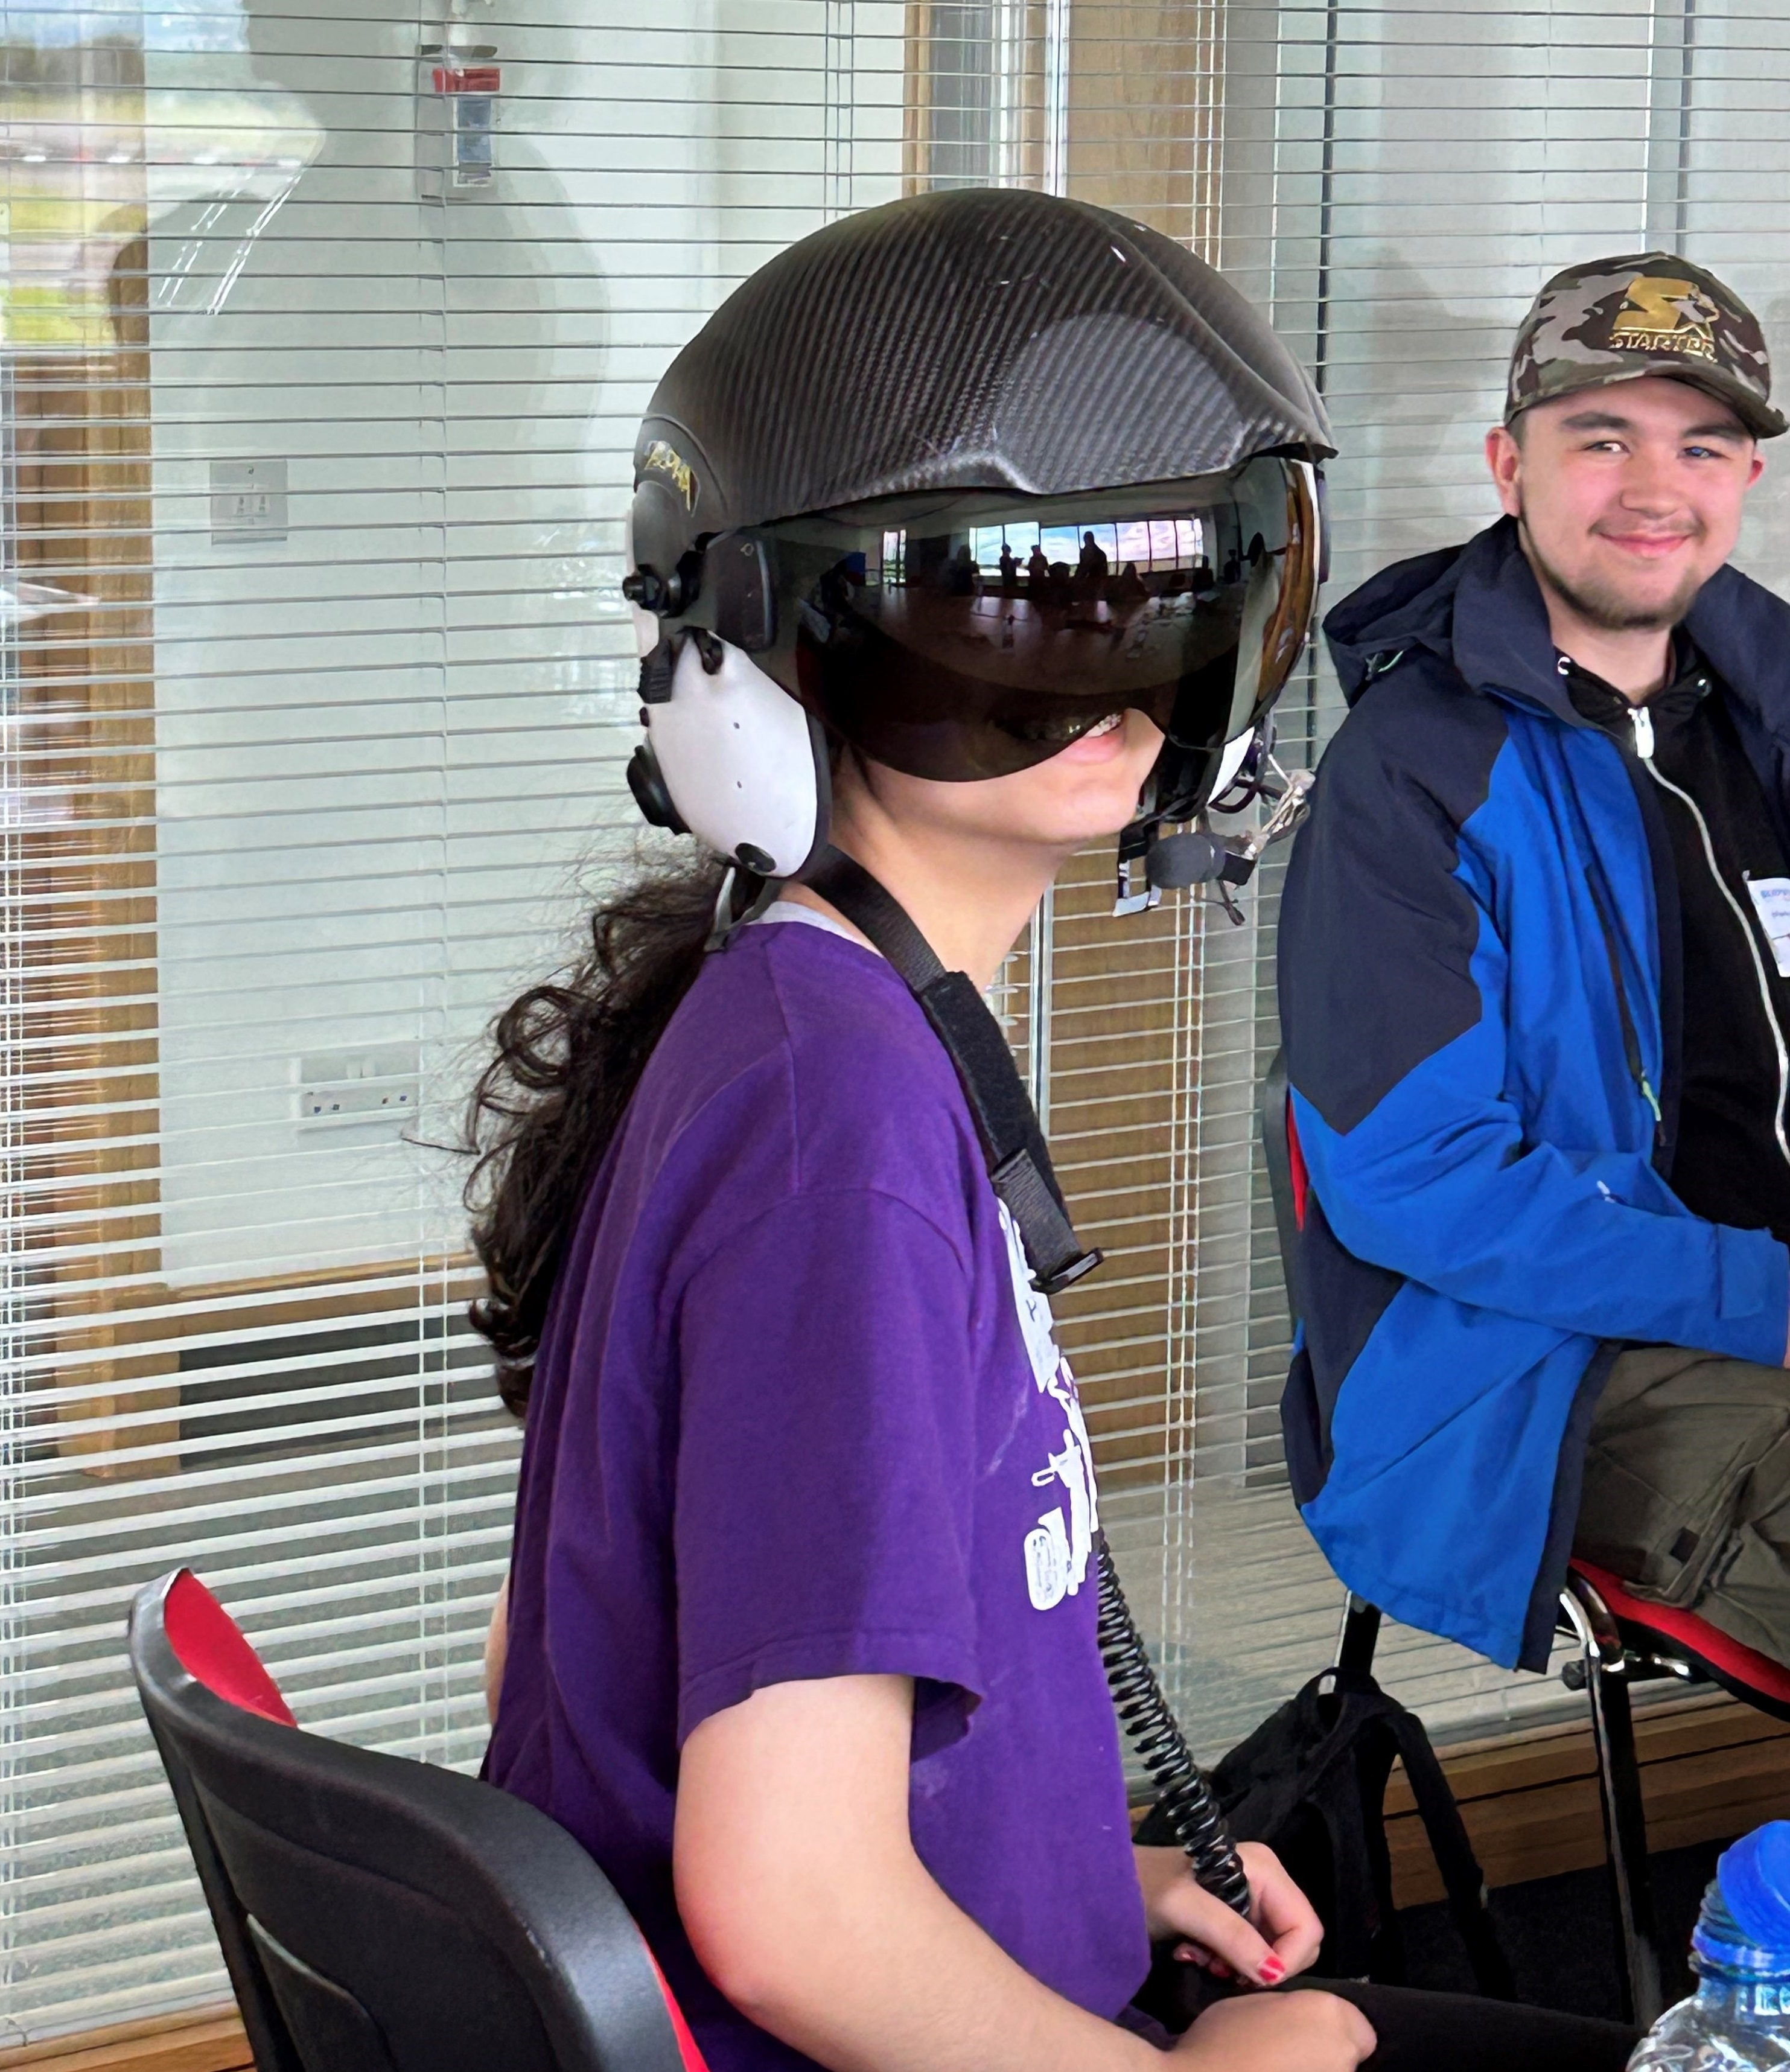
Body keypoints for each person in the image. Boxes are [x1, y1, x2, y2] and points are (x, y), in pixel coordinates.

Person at [474, 190, 1635, 2072]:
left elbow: (705, 1688)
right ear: (767, 664)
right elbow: (789, 1916)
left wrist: (1093, 1872)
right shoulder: (827, 1128)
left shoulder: (815, 1018)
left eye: (1166, 597)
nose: (1102, 679)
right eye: (997, 615)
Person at [1276, 251, 1790, 1678]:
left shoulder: (1770, 714)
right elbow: (1419, 1185)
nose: (1650, 487)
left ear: (1743, 476)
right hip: (1535, 1367)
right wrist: (1771, 1298)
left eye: (1697, 444)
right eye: (1598, 437)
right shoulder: (1411, 777)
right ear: (1509, 465)